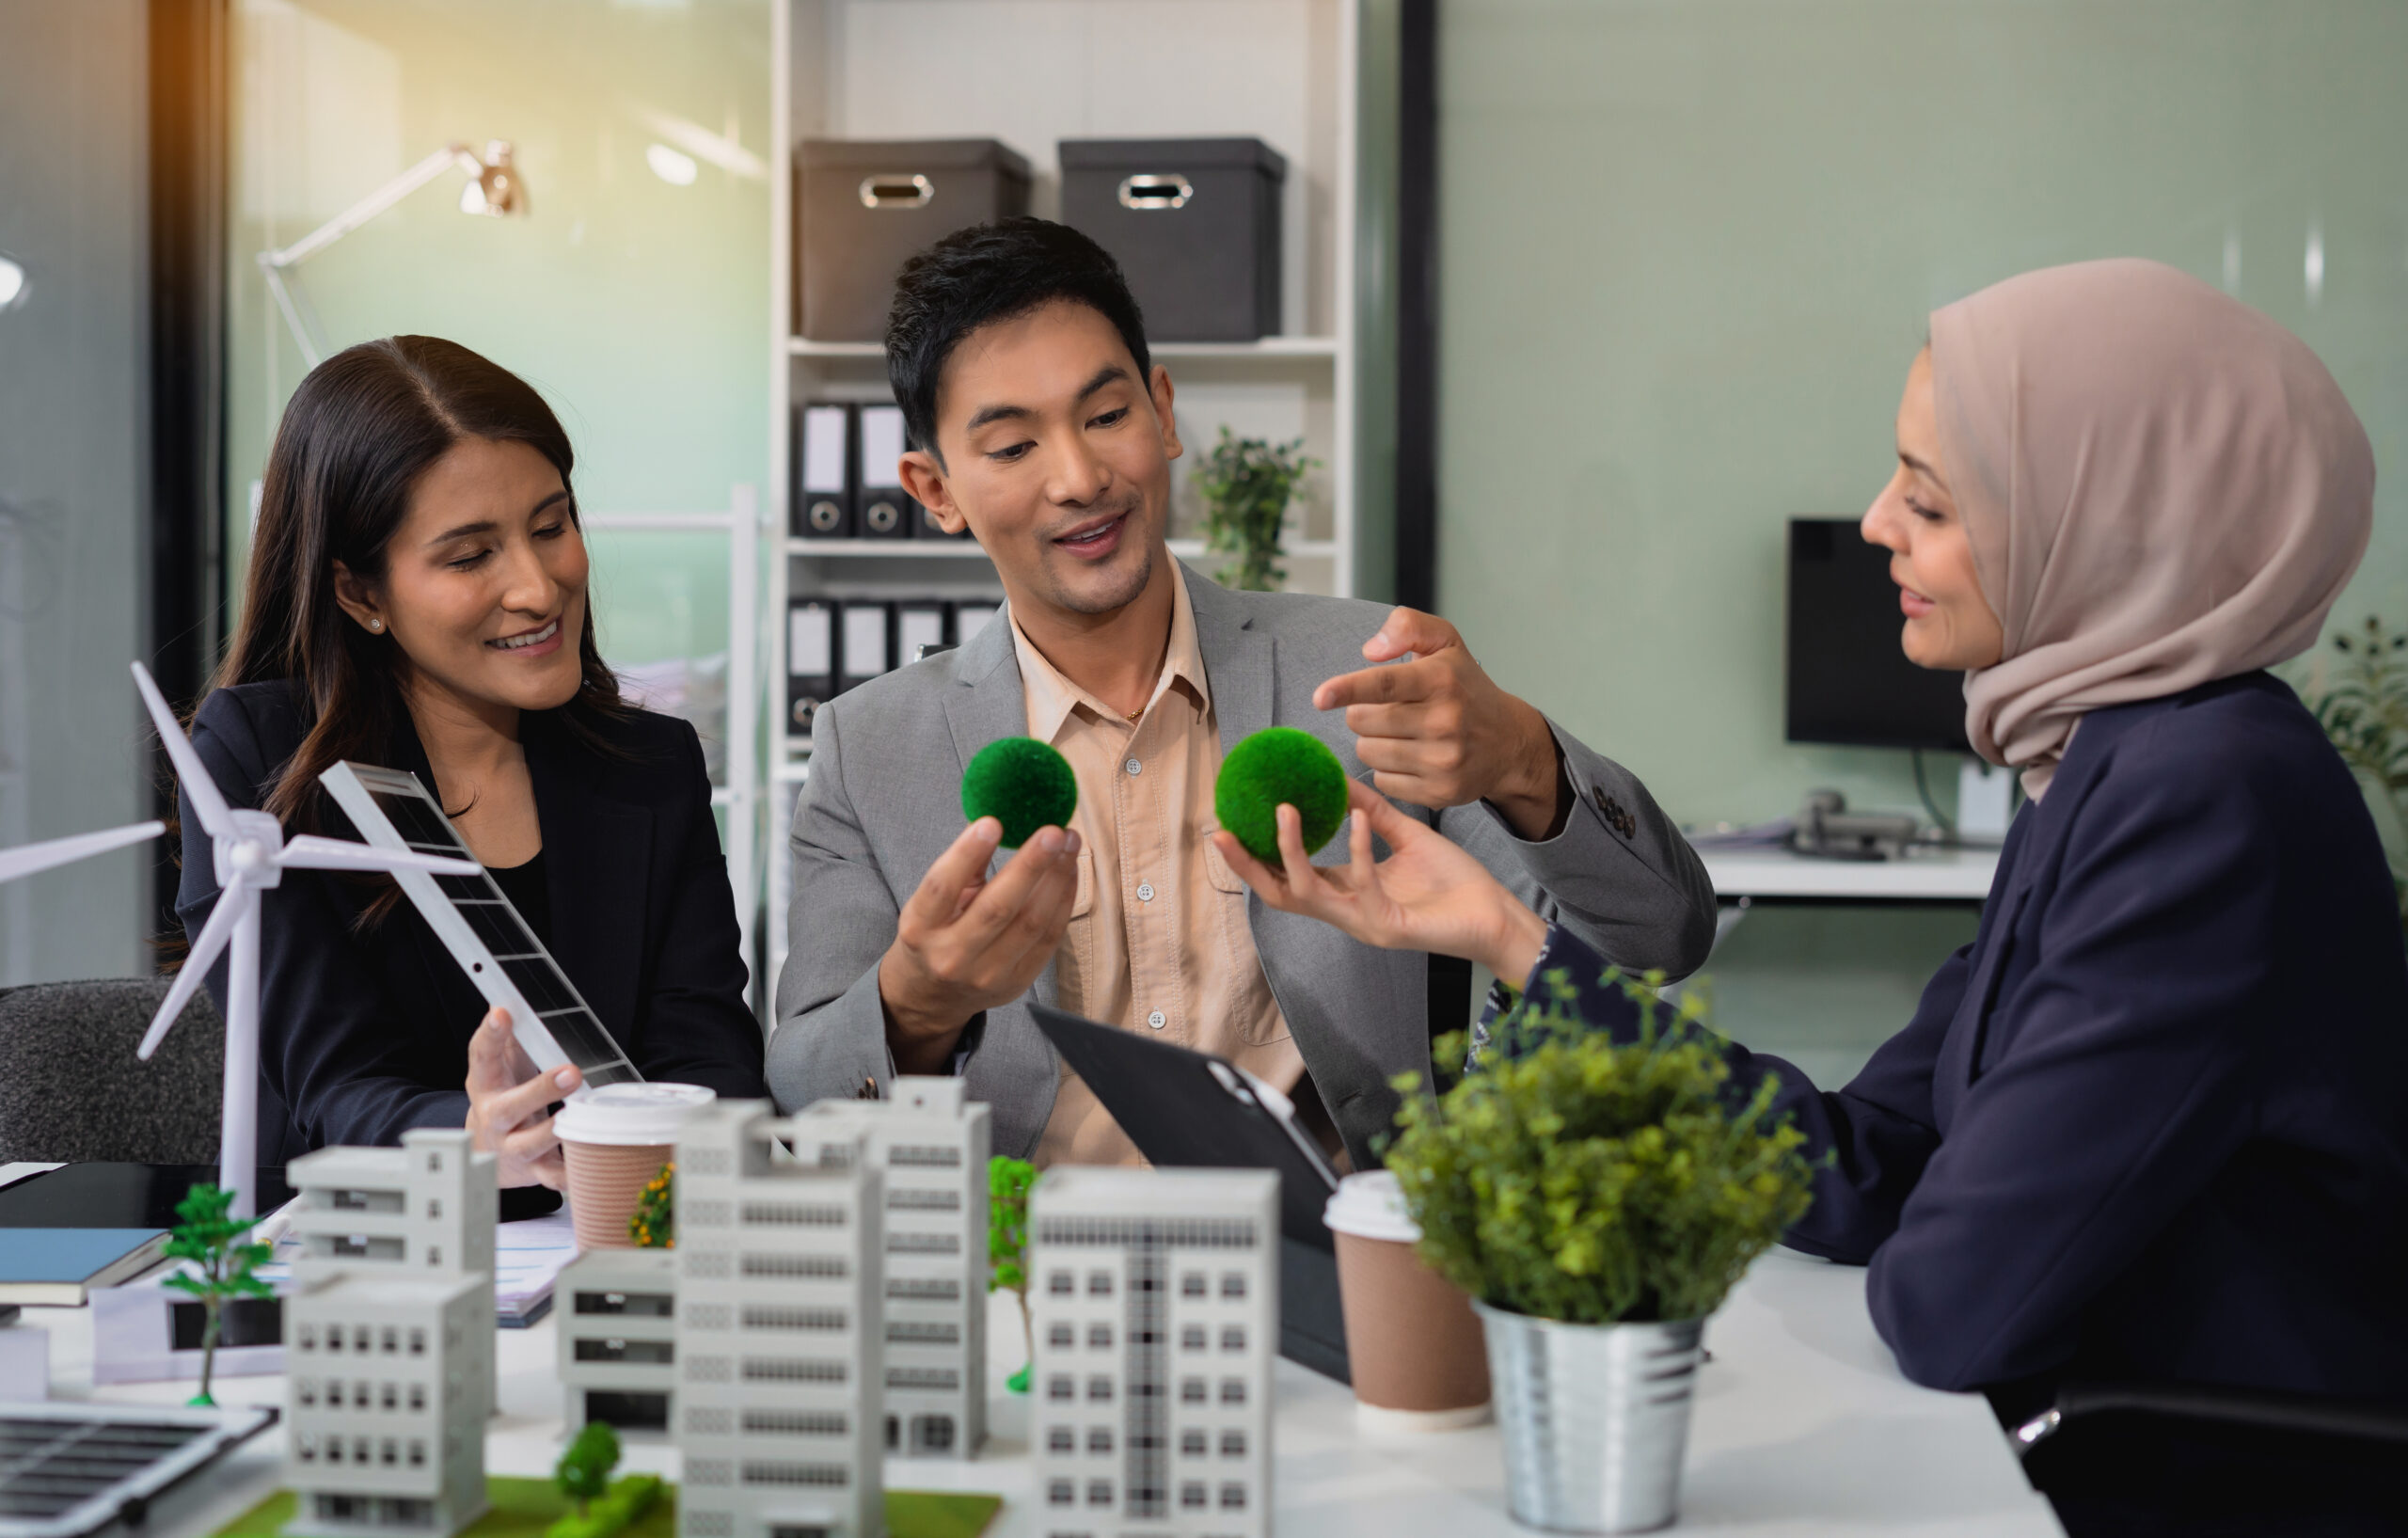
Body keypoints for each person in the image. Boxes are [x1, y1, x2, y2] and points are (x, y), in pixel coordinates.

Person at [1213, 260, 2408, 1530]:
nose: (1879, 521)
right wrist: (1507, 936)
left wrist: (1937, 1215)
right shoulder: (2109, 762)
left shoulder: (2205, 795)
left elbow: (1950, 1299)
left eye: (1932, 498)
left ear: (2104, 530)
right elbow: (1857, 1159)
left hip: (2200, 1483)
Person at [770, 218, 1717, 1168]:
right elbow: (802, 1088)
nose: (1080, 478)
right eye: (1013, 448)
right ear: (933, 490)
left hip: (1330, 1286)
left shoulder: (1360, 674)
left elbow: (1658, 940)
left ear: (1164, 412)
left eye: (1105, 417)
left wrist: (1521, 758)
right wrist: (917, 1001)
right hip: (1018, 1285)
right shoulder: (869, 749)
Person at [175, 336, 767, 1198]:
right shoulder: (261, 759)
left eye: (552, 525)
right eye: (469, 555)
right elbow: (330, 1086)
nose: (537, 585)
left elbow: (709, 1058)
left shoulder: (653, 764)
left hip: (622, 1238)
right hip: (365, 1257)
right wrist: (473, 1135)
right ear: (360, 593)